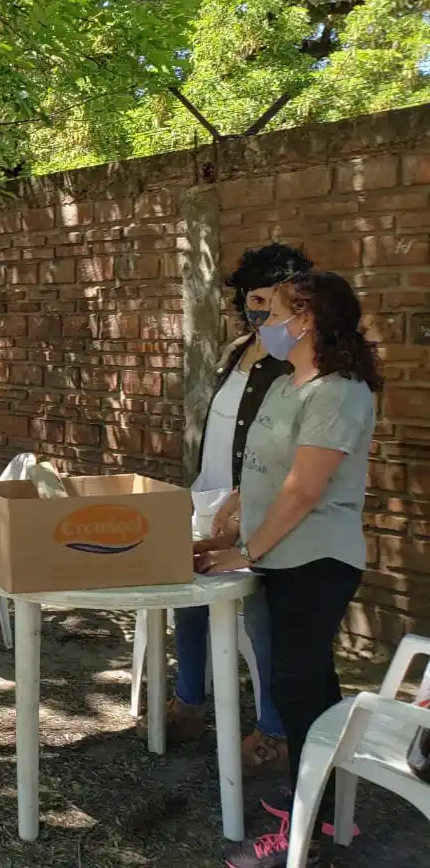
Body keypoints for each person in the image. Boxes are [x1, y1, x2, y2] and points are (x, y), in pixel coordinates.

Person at [196, 270, 380, 868]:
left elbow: (303, 490)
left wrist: (247, 553)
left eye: (274, 313)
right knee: (307, 686)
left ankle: (311, 831)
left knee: (297, 687)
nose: (265, 325)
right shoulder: (284, 382)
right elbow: (264, 464)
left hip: (316, 559)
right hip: (279, 554)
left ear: (309, 321)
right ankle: (321, 798)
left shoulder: (339, 392)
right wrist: (236, 510)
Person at [143, 244, 312, 768]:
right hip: (209, 495)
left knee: (263, 622)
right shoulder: (240, 347)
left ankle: (274, 732)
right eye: (250, 299)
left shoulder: (297, 359)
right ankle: (190, 702)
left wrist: (246, 496)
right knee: (188, 599)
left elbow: (291, 442)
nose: (256, 310)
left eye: (267, 300)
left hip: (257, 506)